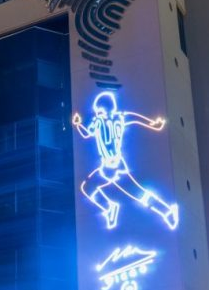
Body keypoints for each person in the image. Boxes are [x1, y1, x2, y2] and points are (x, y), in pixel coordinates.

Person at [72, 91, 178, 230]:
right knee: (88, 187)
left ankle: (166, 211)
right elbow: (87, 133)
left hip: (115, 166)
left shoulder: (112, 119)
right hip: (106, 167)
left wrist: (153, 124)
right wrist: (78, 124)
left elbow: (136, 118)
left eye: (100, 111)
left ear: (108, 108)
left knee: (138, 193)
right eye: (98, 112)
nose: (98, 113)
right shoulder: (105, 120)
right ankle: (109, 207)